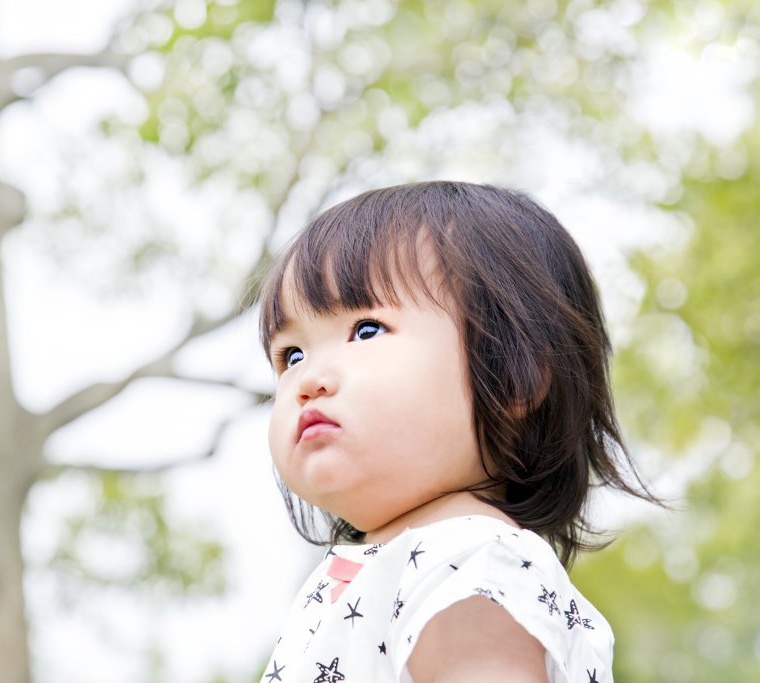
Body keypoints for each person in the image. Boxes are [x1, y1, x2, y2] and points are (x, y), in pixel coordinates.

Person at [255, 181, 661, 683]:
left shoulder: (472, 562)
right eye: (291, 355)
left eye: (366, 329)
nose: (308, 380)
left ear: (514, 376)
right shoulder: (386, 568)